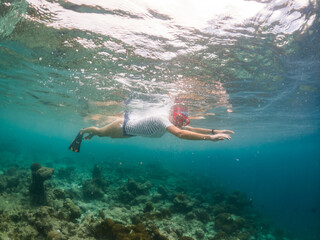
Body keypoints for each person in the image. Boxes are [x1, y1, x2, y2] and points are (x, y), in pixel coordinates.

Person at [69, 104, 234, 152]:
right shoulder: (162, 120)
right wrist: (209, 138)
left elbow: (190, 129)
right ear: (172, 114)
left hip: (130, 133)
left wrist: (214, 132)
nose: (181, 123)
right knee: (100, 132)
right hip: (122, 126)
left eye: (184, 120)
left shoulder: (171, 123)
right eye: (179, 119)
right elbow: (182, 134)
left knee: (104, 136)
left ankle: (92, 134)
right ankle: (83, 131)